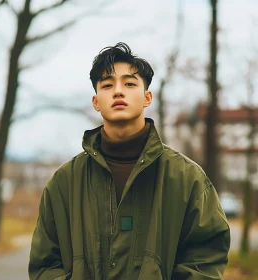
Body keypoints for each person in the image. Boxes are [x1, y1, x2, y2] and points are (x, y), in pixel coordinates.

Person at [29, 42, 230, 280]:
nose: (118, 91)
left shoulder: (186, 178)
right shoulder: (65, 182)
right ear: (96, 102)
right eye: (107, 85)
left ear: (147, 97)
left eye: (129, 83)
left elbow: (206, 258)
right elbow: (45, 265)